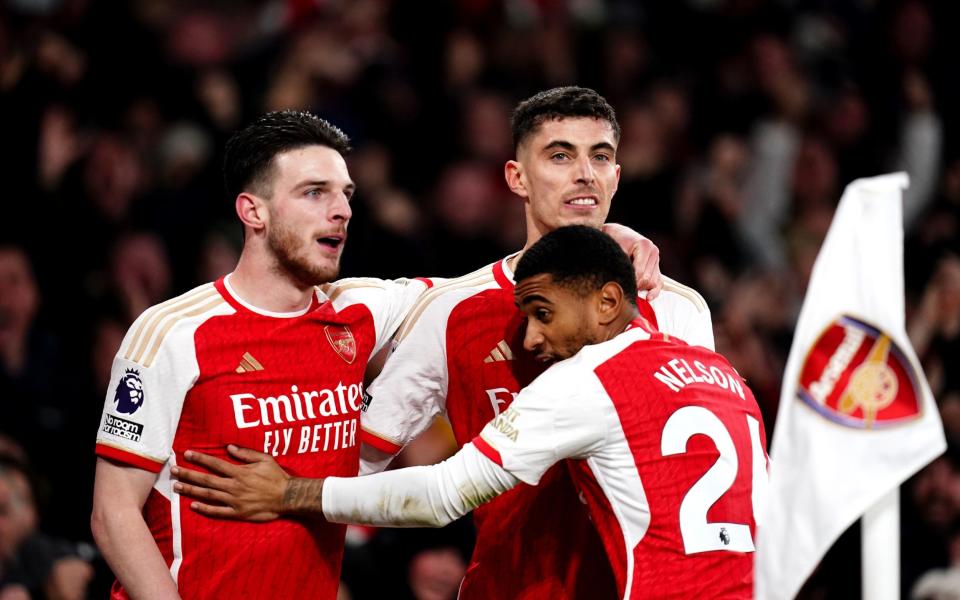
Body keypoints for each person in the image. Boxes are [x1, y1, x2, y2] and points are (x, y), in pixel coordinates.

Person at [171, 225, 770, 599]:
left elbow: (439, 497)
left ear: (608, 301)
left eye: (543, 312)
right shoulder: (724, 376)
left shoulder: (588, 381)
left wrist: (288, 493)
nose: (531, 340)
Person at [355, 86, 714, 598]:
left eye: (601, 156)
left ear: (617, 176)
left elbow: (704, 468)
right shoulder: (453, 312)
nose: (584, 173)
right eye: (560, 155)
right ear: (516, 178)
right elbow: (365, 459)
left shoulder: (677, 309)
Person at [90, 111, 431, 600]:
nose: (342, 210)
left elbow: (470, 295)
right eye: (315, 192)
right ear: (254, 212)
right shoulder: (174, 331)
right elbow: (113, 513)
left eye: (346, 194)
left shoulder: (359, 309)